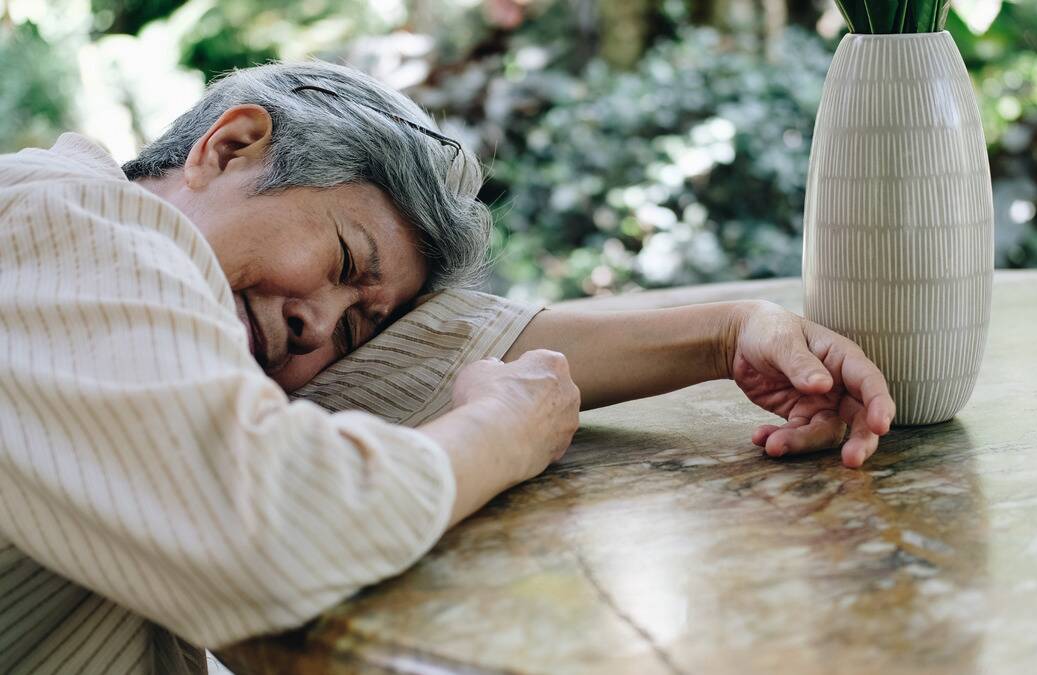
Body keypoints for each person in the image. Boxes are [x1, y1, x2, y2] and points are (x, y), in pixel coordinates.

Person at [0, 61, 895, 673]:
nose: (321, 333)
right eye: (347, 259)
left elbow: (460, 348)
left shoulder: (158, 323)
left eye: (358, 328)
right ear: (230, 145)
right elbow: (265, 524)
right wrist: (499, 434)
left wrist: (730, 334)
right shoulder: (72, 223)